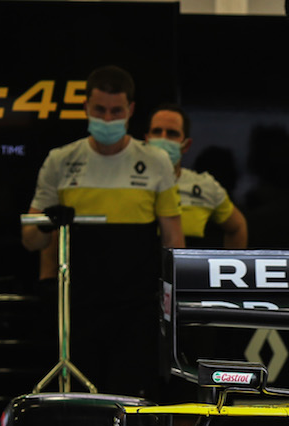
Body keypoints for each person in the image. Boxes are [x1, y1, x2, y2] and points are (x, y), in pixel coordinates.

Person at [22, 65, 183, 398]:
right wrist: (49, 221)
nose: (107, 119)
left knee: (132, 404)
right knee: (83, 407)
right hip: (79, 309)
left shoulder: (155, 162)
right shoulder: (60, 160)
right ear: (86, 108)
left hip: (136, 311)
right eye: (100, 110)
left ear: (130, 111)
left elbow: (173, 242)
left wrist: (171, 306)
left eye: (115, 111)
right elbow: (31, 239)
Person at [145, 104, 248, 248]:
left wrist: (231, 267)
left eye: (172, 133)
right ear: (147, 140)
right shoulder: (126, 181)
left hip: (185, 269)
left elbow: (237, 227)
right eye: (157, 131)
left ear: (186, 145)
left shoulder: (205, 186)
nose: (163, 139)